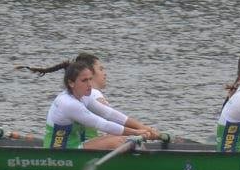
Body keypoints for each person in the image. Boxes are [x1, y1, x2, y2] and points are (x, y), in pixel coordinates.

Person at [21, 53, 162, 146]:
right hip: (61, 153)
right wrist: (137, 133)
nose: (89, 84)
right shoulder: (68, 103)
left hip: (76, 145)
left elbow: (110, 114)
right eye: (84, 80)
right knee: (118, 141)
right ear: (71, 83)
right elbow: (103, 125)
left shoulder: (84, 97)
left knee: (122, 139)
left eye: (90, 79)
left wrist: (144, 128)